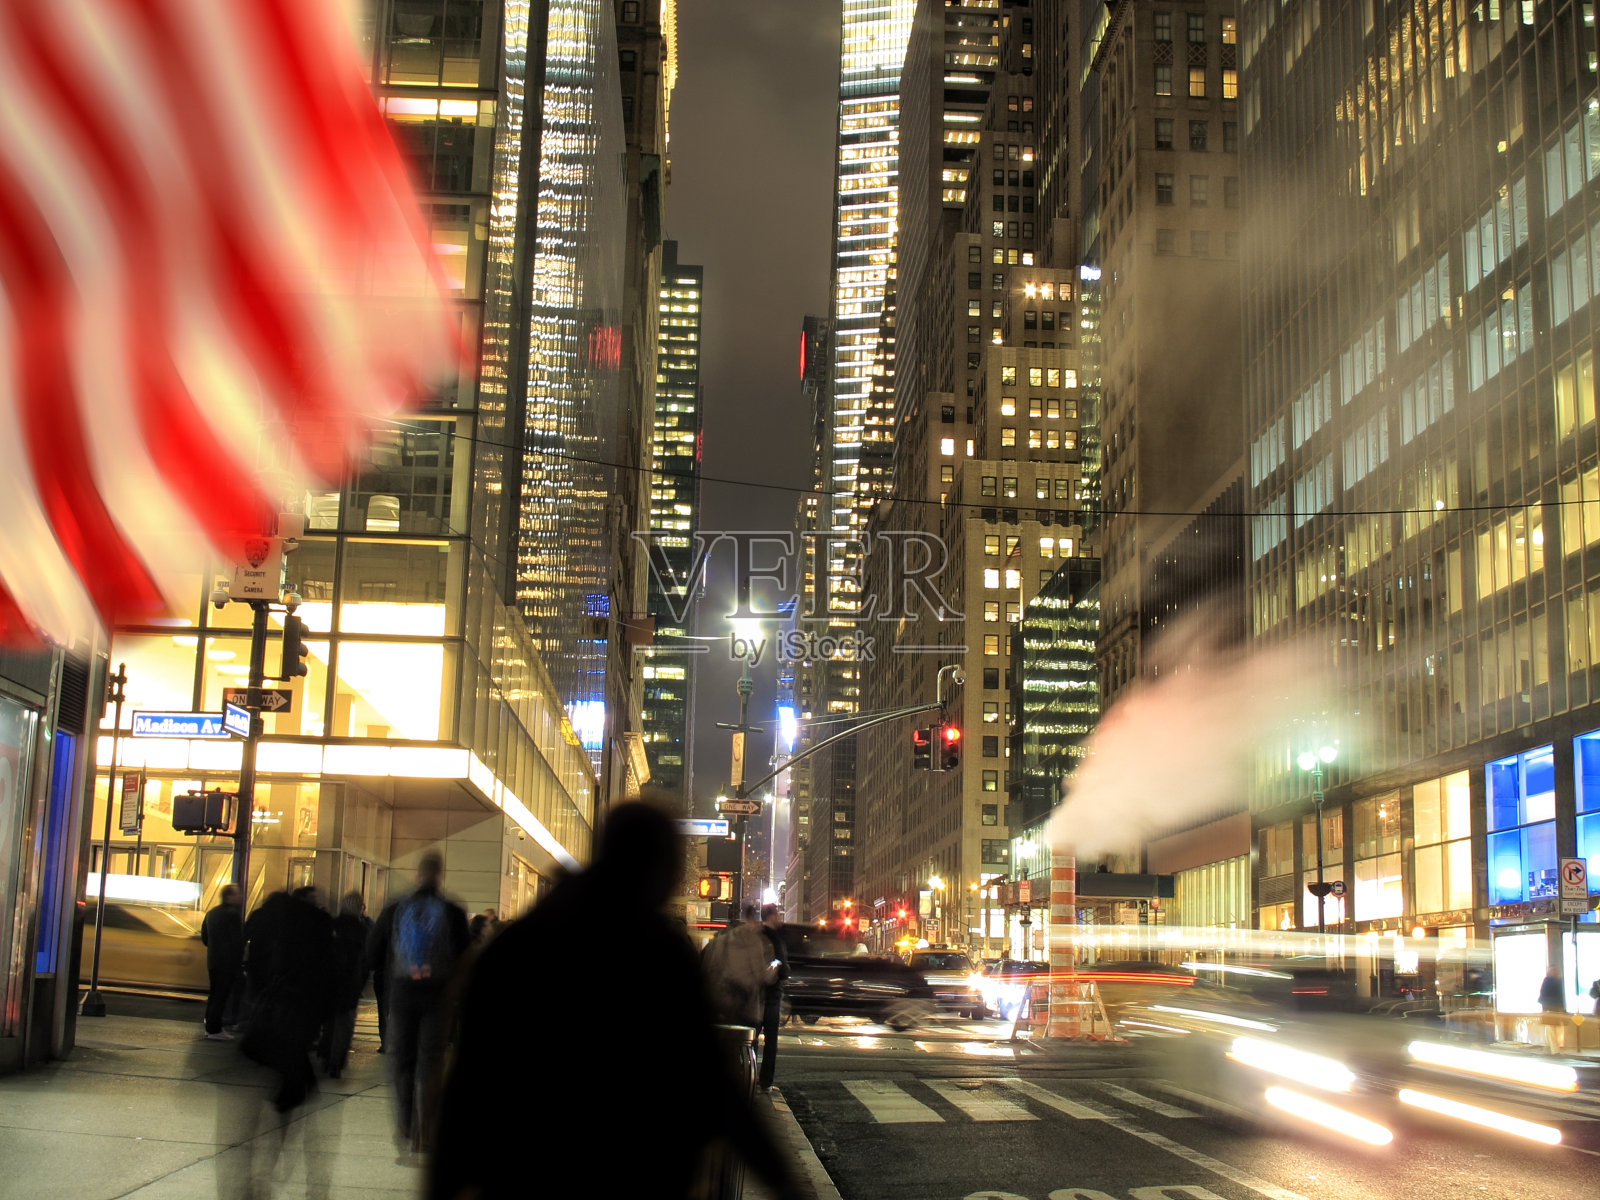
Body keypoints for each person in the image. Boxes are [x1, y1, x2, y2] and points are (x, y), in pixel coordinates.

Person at [429, 800, 802, 1200]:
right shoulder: (660, 955)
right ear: (651, 865)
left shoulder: (515, 947)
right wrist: (782, 1180)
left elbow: (468, 1089)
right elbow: (709, 1078)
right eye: (671, 863)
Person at [369, 852, 470, 1152]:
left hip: (402, 994)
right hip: (437, 997)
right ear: (440, 875)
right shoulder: (452, 911)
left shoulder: (395, 908)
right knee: (432, 1061)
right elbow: (464, 955)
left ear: (417, 874)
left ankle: (406, 1121)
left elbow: (372, 953)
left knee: (403, 1061)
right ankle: (427, 1127)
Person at [241, 887, 338, 1112]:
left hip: (283, 999)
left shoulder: (281, 925)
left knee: (284, 1048)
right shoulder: (316, 925)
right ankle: (295, 1090)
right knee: (293, 1049)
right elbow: (326, 969)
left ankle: (292, 1090)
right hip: (300, 1003)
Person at [320, 890, 369, 1079]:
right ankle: (337, 1062)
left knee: (329, 1021)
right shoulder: (362, 930)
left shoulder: (332, 925)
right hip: (350, 982)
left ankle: (325, 1054)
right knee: (345, 1023)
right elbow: (366, 960)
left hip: (330, 980)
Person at [703, 905, 772, 1027]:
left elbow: (711, 967)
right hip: (746, 1005)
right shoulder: (754, 941)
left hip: (723, 1002)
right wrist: (773, 969)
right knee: (745, 1039)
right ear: (752, 920)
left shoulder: (722, 940)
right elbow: (761, 974)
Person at [200, 884, 244, 1041]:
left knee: (214, 994)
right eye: (237, 894)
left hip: (213, 960)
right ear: (229, 897)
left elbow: (204, 937)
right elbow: (237, 940)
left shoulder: (211, 913)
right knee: (222, 995)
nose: (240, 897)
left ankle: (210, 1027)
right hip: (227, 962)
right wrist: (239, 960)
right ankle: (215, 1029)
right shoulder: (232, 914)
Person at [757, 903, 790, 1090]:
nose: (779, 918)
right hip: (771, 995)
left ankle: (748, 1073)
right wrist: (784, 972)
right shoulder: (775, 938)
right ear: (771, 916)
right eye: (777, 915)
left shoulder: (755, 936)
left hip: (754, 993)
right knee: (771, 1041)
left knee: (751, 1037)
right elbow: (783, 968)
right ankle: (766, 1081)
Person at [1539, 968, 1567, 1054]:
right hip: (1558, 1008)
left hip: (1548, 1008)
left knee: (1550, 1029)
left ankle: (1554, 1050)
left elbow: (1542, 994)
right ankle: (1552, 1048)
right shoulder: (1560, 981)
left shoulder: (1547, 980)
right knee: (1555, 1029)